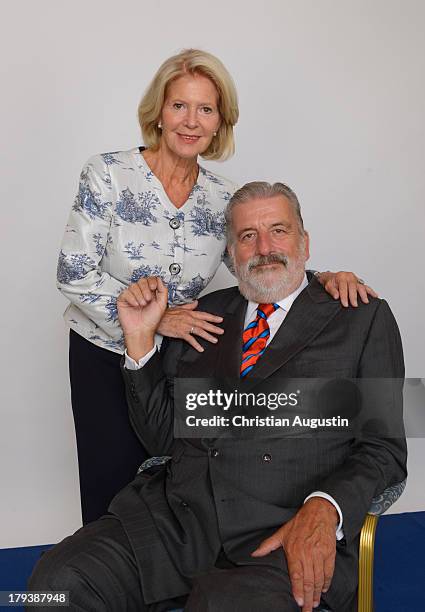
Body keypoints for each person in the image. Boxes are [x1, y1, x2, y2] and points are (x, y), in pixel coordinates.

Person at [35, 181, 406, 611]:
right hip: (177, 524)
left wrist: (325, 508)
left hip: (284, 529)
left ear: (305, 243)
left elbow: (384, 448)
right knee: (54, 585)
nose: (265, 247)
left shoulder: (361, 316)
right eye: (248, 236)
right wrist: (139, 340)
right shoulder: (204, 314)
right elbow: (163, 440)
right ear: (231, 255)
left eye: (279, 231)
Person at [57, 48, 377, 525]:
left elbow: (258, 261)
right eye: (179, 106)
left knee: (173, 480)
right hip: (104, 353)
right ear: (159, 113)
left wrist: (321, 278)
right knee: (110, 483)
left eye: (205, 109)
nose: (191, 121)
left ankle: (170, 579)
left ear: (219, 121)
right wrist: (158, 319)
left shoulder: (224, 196)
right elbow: (73, 272)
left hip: (178, 359)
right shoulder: (107, 174)